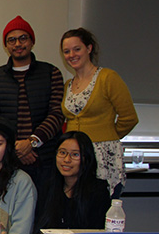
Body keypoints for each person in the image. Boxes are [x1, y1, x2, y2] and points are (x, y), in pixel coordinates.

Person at [0, 15, 64, 192]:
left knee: (44, 214)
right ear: (6, 45)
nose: (17, 44)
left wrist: (32, 142)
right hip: (7, 160)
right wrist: (16, 146)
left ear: (32, 41)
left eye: (23, 38)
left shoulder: (51, 73)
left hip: (45, 160)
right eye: (12, 40)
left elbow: (57, 114)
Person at [25, 131, 111, 234]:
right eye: (62, 153)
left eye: (75, 155)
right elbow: (40, 229)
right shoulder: (48, 186)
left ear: (86, 159)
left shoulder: (98, 190)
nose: (66, 160)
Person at [59, 28, 138, 197]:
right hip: (75, 160)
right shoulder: (68, 85)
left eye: (77, 49)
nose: (72, 54)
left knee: (101, 213)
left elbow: (129, 118)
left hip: (103, 159)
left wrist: (107, 138)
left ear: (89, 48)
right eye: (66, 51)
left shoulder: (108, 78)